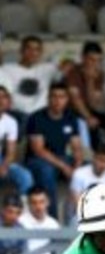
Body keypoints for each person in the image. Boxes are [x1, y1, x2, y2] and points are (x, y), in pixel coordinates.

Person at [25, 81, 83, 217]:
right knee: (47, 171)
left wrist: (78, 165)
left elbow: (77, 147)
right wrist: (65, 167)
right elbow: (38, 150)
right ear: (48, 99)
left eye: (62, 97)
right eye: (54, 96)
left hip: (61, 157)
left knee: (87, 170)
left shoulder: (71, 118)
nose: (58, 100)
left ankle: (80, 218)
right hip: (37, 160)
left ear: (67, 100)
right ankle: (52, 220)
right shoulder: (37, 117)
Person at [64, 42, 105, 150]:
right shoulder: (73, 72)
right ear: (83, 58)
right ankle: (94, 155)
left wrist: (90, 81)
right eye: (91, 59)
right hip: (71, 110)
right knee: (93, 129)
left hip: (88, 109)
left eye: (98, 60)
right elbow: (75, 99)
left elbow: (93, 103)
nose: (94, 64)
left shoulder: (100, 74)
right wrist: (88, 117)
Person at [0, 36, 61, 123]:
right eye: (29, 49)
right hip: (15, 114)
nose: (33, 53)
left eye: (37, 49)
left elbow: (66, 74)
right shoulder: (6, 69)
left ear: (41, 53)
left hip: (41, 115)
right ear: (21, 51)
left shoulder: (49, 69)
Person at [69, 144, 105, 217]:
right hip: (80, 217)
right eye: (101, 160)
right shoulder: (79, 174)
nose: (103, 165)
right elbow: (77, 204)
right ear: (94, 158)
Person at [0, 87, 33, 196]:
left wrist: (4, 167)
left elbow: (11, 152)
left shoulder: (11, 122)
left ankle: (18, 209)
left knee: (25, 177)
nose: (0, 100)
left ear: (8, 101)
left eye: (4, 97)